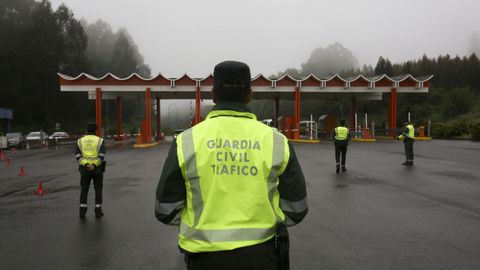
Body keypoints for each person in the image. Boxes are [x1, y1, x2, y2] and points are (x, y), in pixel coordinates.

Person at [155, 60, 308, 270]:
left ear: (214, 95)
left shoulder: (186, 141)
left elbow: (165, 210)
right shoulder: (276, 141)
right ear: (249, 95)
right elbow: (296, 209)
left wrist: (202, 223)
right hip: (262, 258)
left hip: (204, 260)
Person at [75, 123, 106, 219]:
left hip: (84, 169)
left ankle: (82, 213)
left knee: (84, 189)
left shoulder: (80, 141)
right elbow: (101, 155)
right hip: (97, 169)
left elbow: (77, 155)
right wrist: (93, 165)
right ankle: (98, 211)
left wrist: (86, 164)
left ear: (86, 130)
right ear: (96, 131)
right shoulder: (100, 141)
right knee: (98, 189)